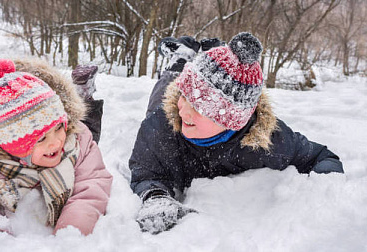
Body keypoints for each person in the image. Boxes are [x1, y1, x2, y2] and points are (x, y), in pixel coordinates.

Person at [129, 32, 344, 235]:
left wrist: (320, 197)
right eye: (185, 97)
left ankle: (212, 56)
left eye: (200, 108)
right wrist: (155, 196)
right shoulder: (160, 124)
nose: (183, 110)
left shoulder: (267, 141)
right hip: (168, 112)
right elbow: (147, 171)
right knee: (167, 90)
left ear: (231, 120)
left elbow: (321, 157)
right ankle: (180, 58)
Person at [0, 58, 113, 241]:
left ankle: (83, 92)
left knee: (87, 123)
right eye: (41, 138)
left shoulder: (77, 141)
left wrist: (72, 231)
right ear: (11, 145)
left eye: (59, 127)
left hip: (72, 125)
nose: (55, 142)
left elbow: (91, 187)